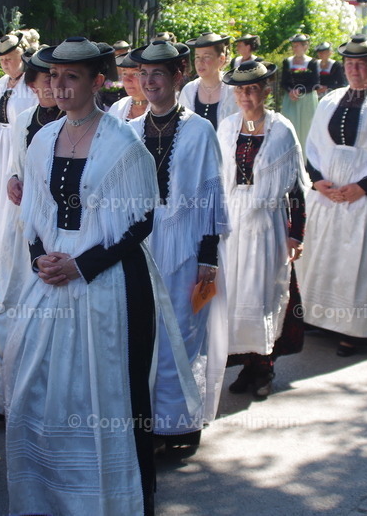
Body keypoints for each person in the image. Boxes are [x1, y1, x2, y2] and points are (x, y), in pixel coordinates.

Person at [4, 37, 190, 516]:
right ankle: (52, 496)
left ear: (97, 82)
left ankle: (115, 499)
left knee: (109, 396)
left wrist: (81, 264)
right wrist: (41, 255)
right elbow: (35, 212)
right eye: (54, 77)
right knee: (44, 387)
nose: (60, 87)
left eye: (71, 77)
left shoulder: (123, 141)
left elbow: (140, 220)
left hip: (110, 285)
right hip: (51, 282)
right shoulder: (43, 138)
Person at [128, 41, 229, 448]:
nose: (150, 82)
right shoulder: (131, 131)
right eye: (145, 75)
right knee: (147, 335)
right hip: (142, 248)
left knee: (183, 336)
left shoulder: (199, 130)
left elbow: (210, 198)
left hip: (186, 251)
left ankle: (181, 424)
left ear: (178, 77)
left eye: (159, 75)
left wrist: (208, 259)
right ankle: (150, 422)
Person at [297, 35, 367, 357]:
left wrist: (363, 186)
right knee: (324, 255)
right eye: (350, 64)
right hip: (328, 194)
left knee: (360, 261)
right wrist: (318, 180)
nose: (355, 70)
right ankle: (320, 318)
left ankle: (358, 331)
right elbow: (314, 146)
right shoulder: (330, 101)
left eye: (362, 64)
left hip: (366, 197)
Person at [218, 59, 307, 397]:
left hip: (267, 222)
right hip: (233, 223)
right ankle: (246, 367)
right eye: (240, 89)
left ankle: (265, 368)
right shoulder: (226, 128)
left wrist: (296, 233)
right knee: (237, 293)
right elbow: (214, 180)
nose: (246, 95)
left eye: (252, 89)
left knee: (264, 292)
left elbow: (296, 187)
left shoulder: (281, 131)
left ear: (266, 91)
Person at [0, 51, 64, 418]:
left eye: (56, 78)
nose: (50, 86)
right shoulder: (22, 122)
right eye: (43, 80)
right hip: (23, 229)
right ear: (32, 85)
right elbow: (15, 167)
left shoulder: (75, 122)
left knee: (53, 313)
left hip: (62, 229)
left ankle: (46, 397)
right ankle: (4, 393)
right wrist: (13, 180)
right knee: (10, 303)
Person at [0, 31, 38, 288]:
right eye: (2, 60)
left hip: (18, 149)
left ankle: (17, 266)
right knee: (0, 209)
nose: (6, 63)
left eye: (10, 57)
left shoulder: (31, 85)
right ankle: (0, 266)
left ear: (21, 55)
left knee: (15, 208)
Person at [180, 32, 240, 130]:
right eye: (197, 57)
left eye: (206, 56)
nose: (200, 62)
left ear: (221, 59)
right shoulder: (188, 90)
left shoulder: (233, 91)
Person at [279, 33, 319, 149]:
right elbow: (283, 82)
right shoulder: (288, 62)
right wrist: (290, 90)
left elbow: (315, 83)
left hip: (307, 99)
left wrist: (300, 91)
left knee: (306, 127)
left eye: (297, 45)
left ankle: (306, 158)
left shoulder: (312, 62)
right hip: (290, 99)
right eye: (293, 45)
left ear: (305, 46)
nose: (294, 48)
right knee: (289, 126)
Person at [107, 50, 149, 121]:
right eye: (124, 74)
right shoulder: (117, 107)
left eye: (135, 74)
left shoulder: (160, 109)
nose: (127, 80)